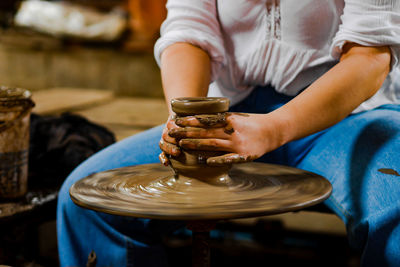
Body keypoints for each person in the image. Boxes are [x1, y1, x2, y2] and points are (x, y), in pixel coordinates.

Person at [57, 0, 400, 266]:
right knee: (89, 202)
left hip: (348, 114)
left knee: (396, 217)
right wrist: (184, 121)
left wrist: (274, 128)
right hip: (229, 116)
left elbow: (369, 57)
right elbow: (188, 31)